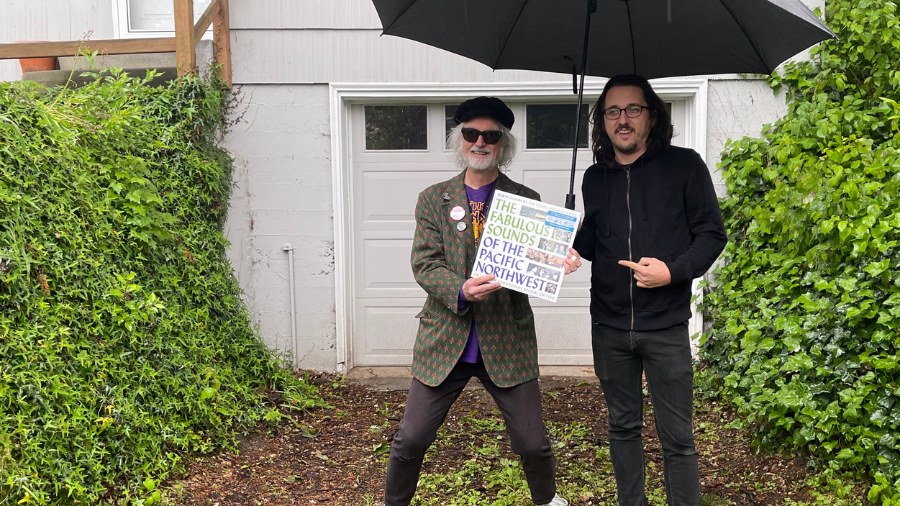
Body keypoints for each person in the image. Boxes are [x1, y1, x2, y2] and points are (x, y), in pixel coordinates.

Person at [383, 97, 577, 506]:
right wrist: (460, 289)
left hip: (507, 340)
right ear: (460, 140)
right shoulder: (433, 198)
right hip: (445, 341)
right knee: (409, 439)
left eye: (491, 135)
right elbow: (425, 262)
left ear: (503, 144)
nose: (481, 142)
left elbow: (535, 258)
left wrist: (560, 257)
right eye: (472, 134)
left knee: (533, 444)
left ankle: (547, 501)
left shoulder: (525, 198)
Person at [572, 75, 727, 505]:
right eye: (612, 112)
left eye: (633, 110)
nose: (623, 120)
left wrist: (672, 272)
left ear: (651, 116)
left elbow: (712, 235)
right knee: (623, 428)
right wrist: (565, 248)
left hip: (665, 327)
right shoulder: (594, 178)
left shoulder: (685, 166)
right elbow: (594, 240)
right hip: (609, 326)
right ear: (602, 121)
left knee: (677, 437)